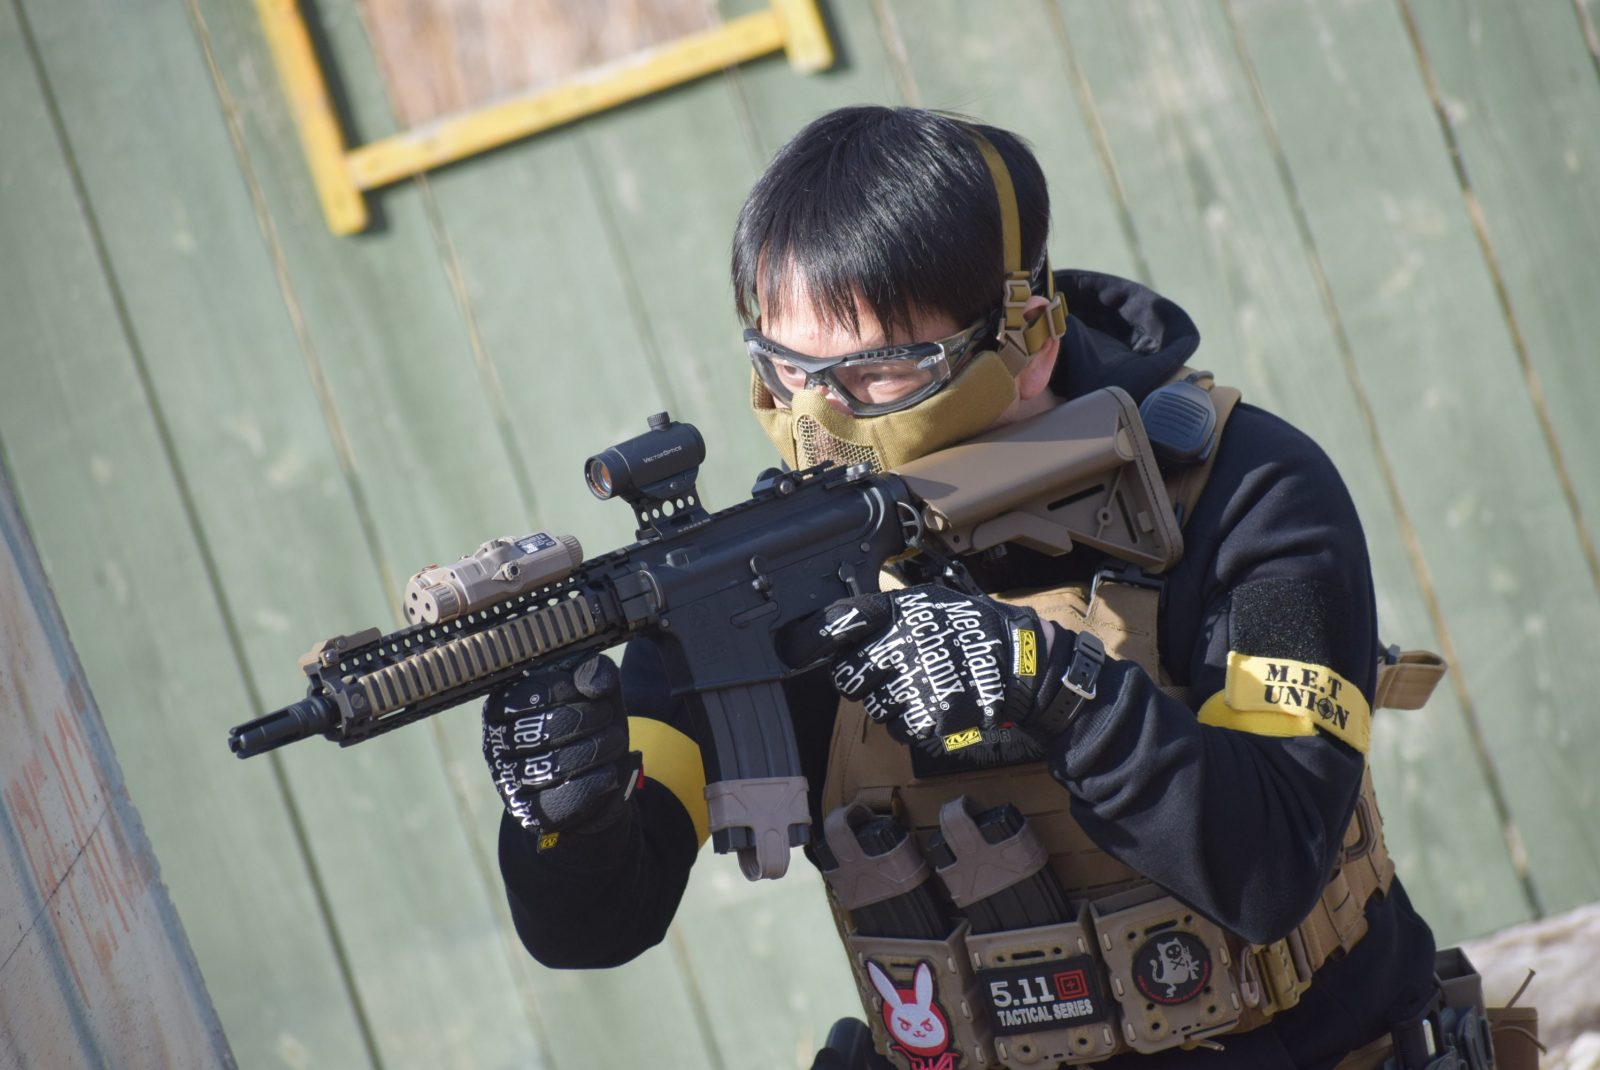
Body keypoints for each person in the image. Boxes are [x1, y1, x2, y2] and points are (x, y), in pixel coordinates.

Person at [481, 107, 1451, 1069]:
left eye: (876, 372)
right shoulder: (763, 579)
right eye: (785, 370)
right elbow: (596, 927)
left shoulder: (1244, 489)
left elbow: (1271, 863)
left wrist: (1052, 685)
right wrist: (570, 810)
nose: (819, 420)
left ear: (1030, 342)